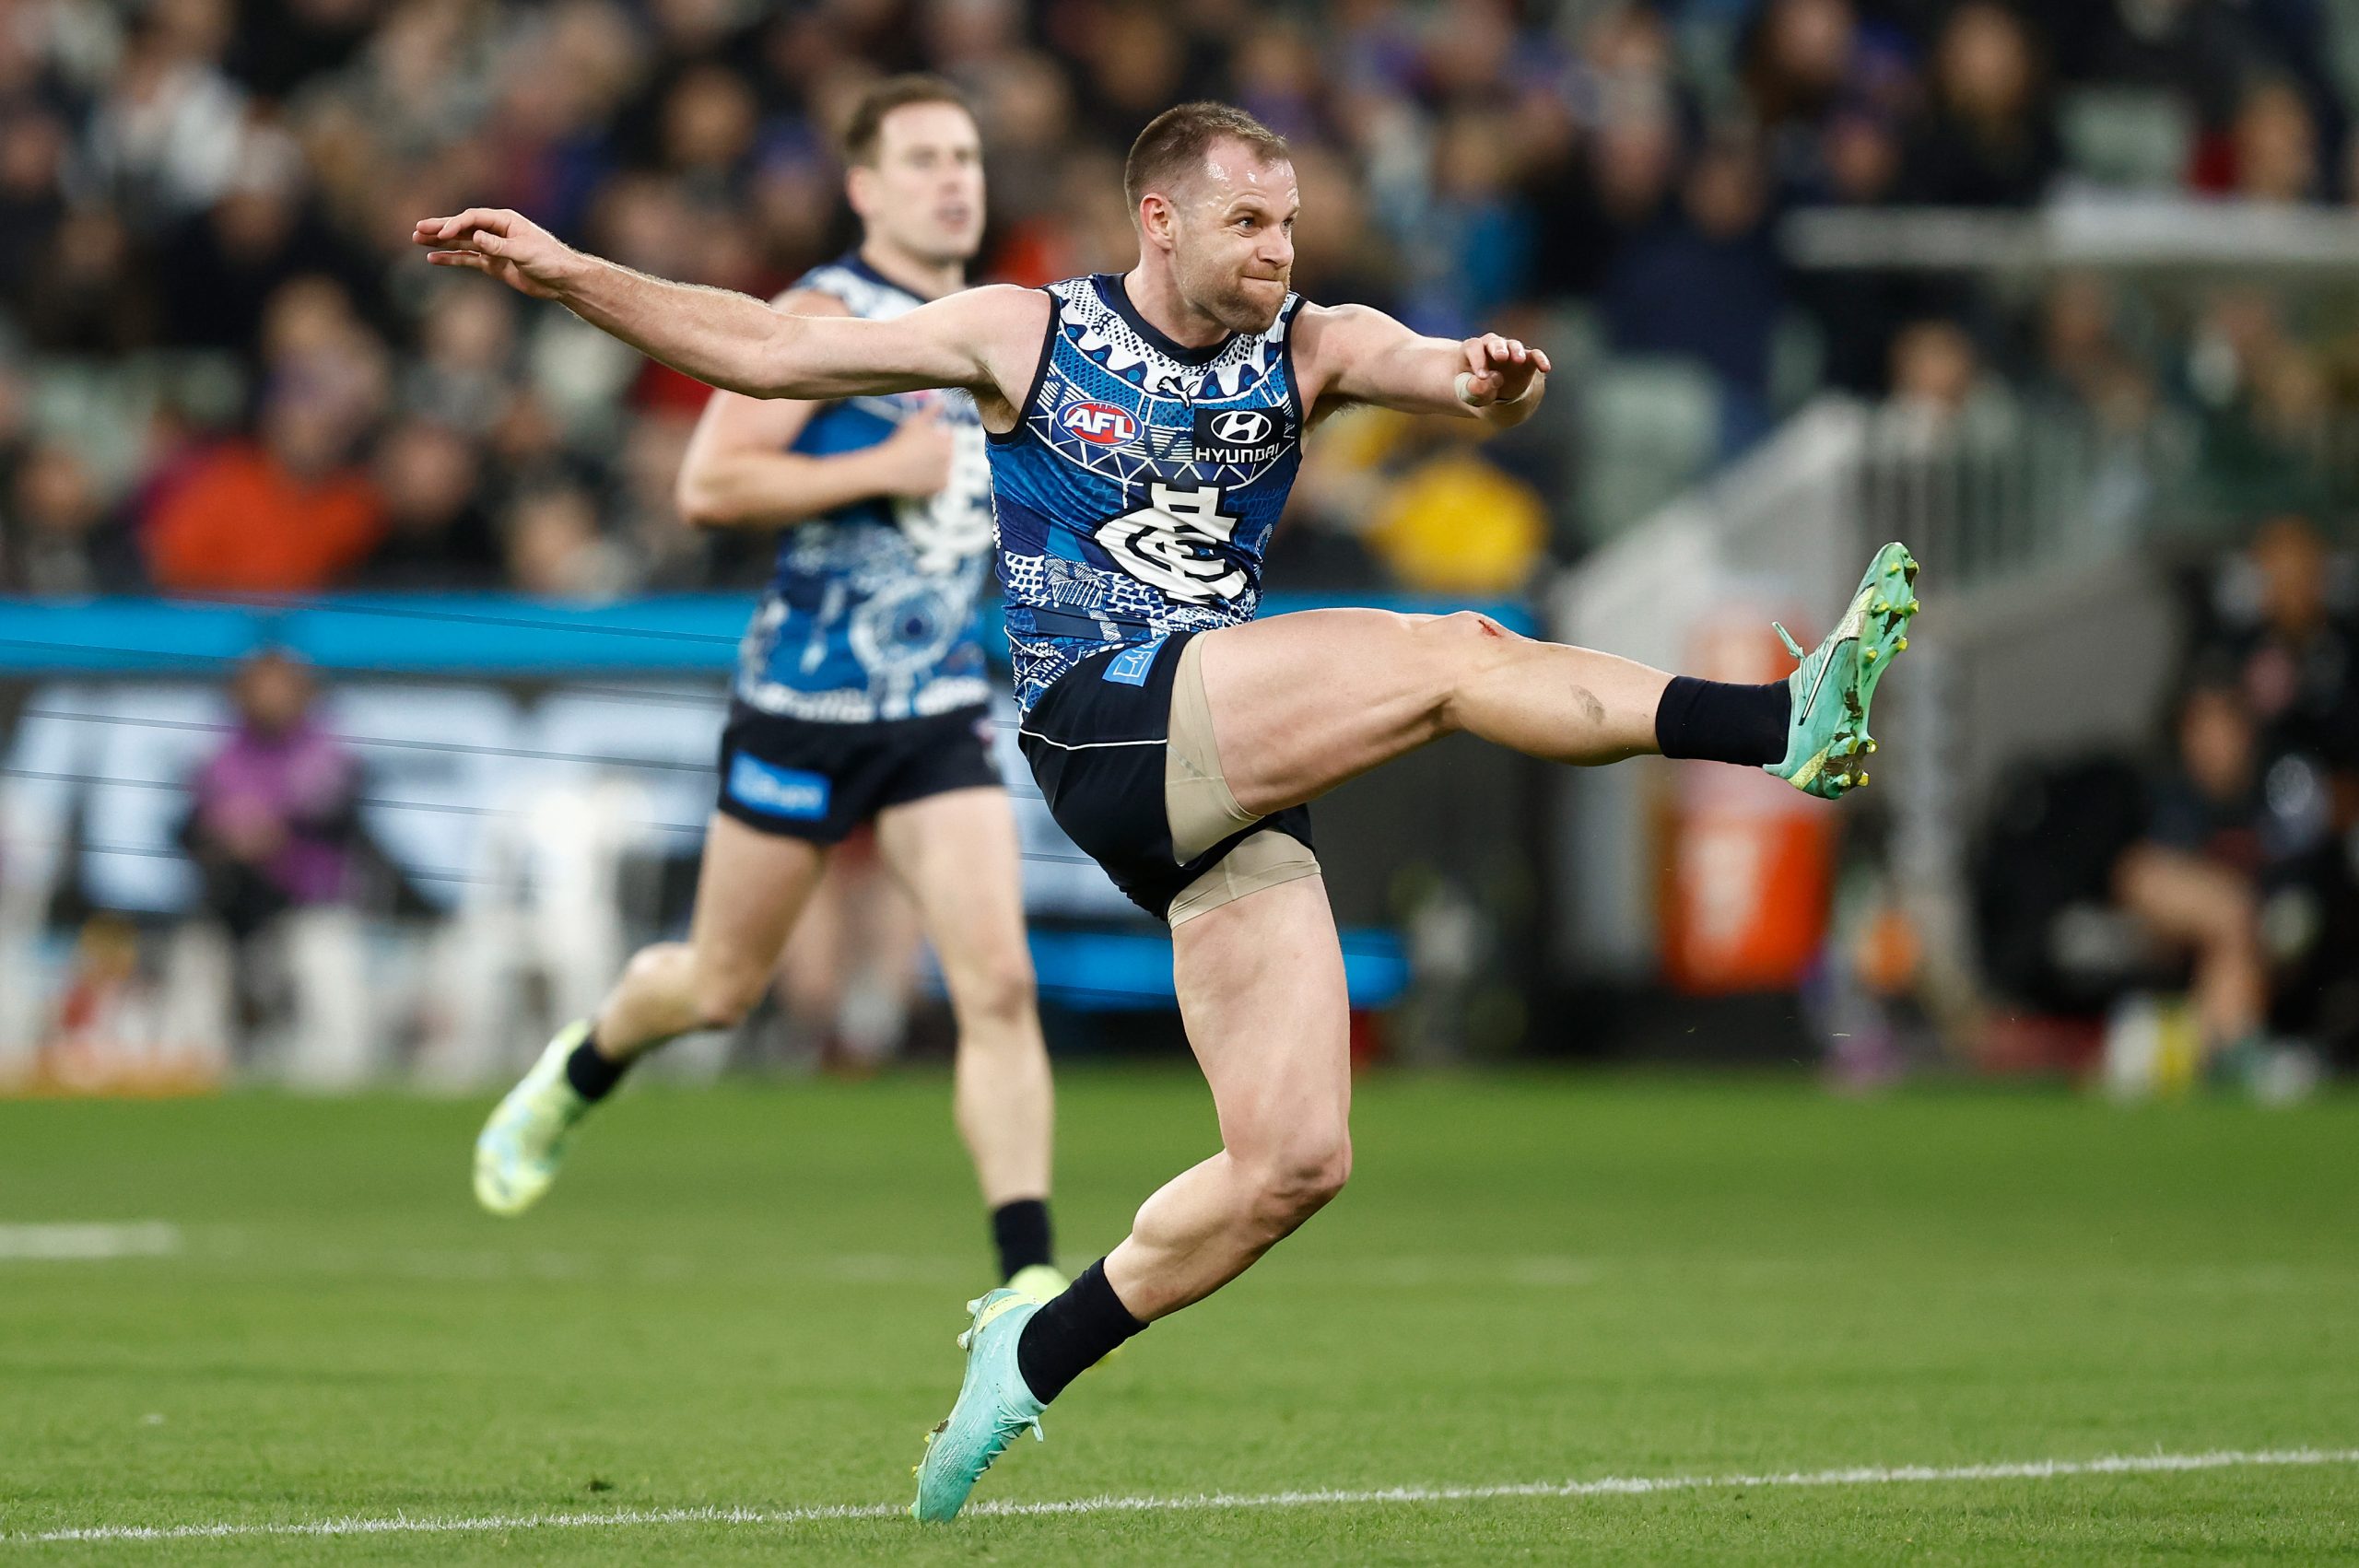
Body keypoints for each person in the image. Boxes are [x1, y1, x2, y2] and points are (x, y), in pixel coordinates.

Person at [416, 98, 1917, 1522]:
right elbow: (761, 351)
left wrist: (1486, 384)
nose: (1278, 249)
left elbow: (1437, 365)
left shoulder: (1311, 343)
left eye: (1290, 222)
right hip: (1109, 714)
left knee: (1294, 1161)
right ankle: (1787, 721)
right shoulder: (1029, 332)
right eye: (1250, 222)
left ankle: (1028, 1354)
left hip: (1217, 768)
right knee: (1451, 655)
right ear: (1160, 220)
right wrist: (562, 271)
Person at [465, 76, 1065, 1306]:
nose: (955, 179)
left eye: (966, 156)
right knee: (718, 985)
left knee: (995, 980)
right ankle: (581, 1067)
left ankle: (1025, 1277)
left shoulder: (1011, 325)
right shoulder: (823, 314)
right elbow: (711, 487)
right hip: (803, 699)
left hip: (938, 704)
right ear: (863, 189)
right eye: (922, 160)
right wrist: (880, 468)